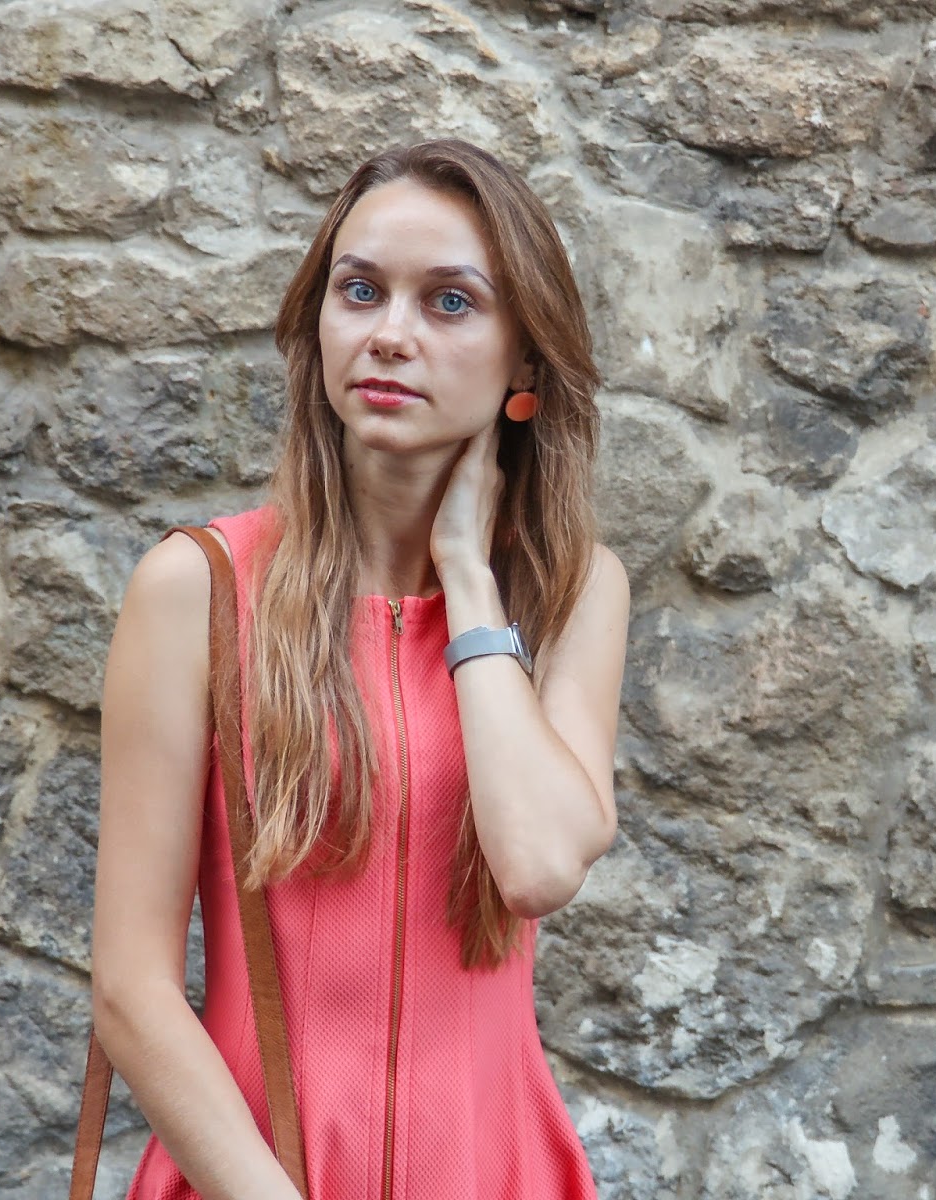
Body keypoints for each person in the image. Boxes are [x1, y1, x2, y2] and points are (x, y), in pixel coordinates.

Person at [90, 138, 629, 1200]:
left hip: (490, 1171)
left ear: (525, 364)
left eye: (450, 302)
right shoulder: (198, 590)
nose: (390, 334)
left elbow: (536, 866)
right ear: (321, 323)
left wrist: (468, 581)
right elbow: (131, 989)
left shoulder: (570, 591)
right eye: (362, 290)